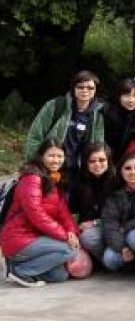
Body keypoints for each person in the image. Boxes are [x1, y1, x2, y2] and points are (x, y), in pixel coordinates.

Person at [1, 140, 79, 287]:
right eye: (51, 156)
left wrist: (71, 231)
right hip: (18, 238)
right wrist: (64, 236)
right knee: (69, 249)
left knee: (60, 275)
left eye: (59, 156)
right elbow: (36, 214)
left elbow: (63, 213)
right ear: (41, 156)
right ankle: (20, 271)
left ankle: (18, 266)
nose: (56, 160)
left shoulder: (53, 178)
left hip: (35, 238)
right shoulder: (32, 178)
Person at [25, 71, 105, 177]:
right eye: (80, 87)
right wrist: (34, 165)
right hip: (50, 166)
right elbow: (35, 136)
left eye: (90, 88)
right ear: (73, 88)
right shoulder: (55, 106)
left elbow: (98, 144)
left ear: (95, 90)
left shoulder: (98, 114)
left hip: (77, 171)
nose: (85, 91)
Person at [99, 152, 135, 273]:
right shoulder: (114, 193)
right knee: (110, 259)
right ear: (121, 170)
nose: (133, 172)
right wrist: (122, 248)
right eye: (128, 168)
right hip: (122, 237)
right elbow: (109, 224)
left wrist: (129, 226)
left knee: (134, 237)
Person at [69, 143, 116, 261]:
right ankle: (103, 260)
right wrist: (72, 230)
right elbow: (72, 211)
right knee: (87, 237)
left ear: (108, 161)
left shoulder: (117, 182)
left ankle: (111, 259)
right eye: (92, 161)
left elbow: (120, 216)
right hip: (91, 232)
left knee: (89, 237)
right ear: (86, 162)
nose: (97, 164)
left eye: (102, 160)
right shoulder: (78, 183)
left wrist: (95, 223)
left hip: (114, 227)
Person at [101, 78, 135, 164]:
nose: (131, 100)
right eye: (127, 95)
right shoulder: (106, 113)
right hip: (104, 160)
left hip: (124, 161)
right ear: (118, 96)